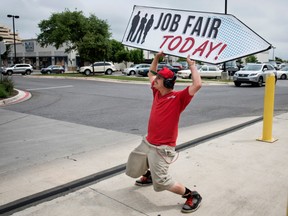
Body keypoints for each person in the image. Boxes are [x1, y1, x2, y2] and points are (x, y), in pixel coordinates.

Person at [126, 51, 202, 213]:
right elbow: (150, 73)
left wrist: (192, 66)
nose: (155, 80)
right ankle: (150, 174)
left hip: (162, 148)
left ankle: (192, 195)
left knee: (162, 183)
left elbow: (197, 85)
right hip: (148, 142)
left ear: (167, 83)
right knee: (134, 163)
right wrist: (156, 58)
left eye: (159, 79)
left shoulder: (179, 98)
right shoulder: (157, 93)